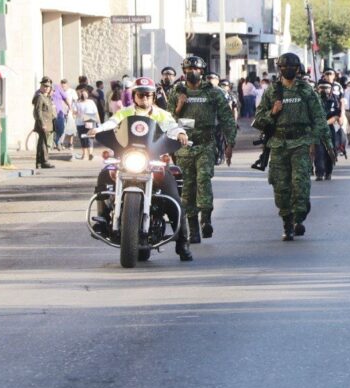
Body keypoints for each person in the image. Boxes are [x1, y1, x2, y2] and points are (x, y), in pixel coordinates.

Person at [89, 77, 193, 262]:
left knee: (174, 197)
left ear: (153, 97)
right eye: (140, 94)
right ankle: (102, 218)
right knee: (104, 175)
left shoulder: (162, 114)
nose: (144, 98)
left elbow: (172, 126)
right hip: (128, 160)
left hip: (154, 162)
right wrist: (98, 130)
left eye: (148, 95)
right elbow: (112, 123)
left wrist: (181, 133)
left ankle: (183, 243)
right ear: (134, 96)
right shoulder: (125, 112)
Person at [253, 53, 331, 240]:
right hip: (278, 145)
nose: (287, 70)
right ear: (279, 69)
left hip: (301, 143)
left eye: (291, 67)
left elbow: (319, 118)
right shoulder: (272, 91)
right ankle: (287, 222)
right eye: (283, 67)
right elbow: (258, 120)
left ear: (298, 69)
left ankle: (299, 217)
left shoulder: (306, 91)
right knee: (281, 187)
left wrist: (322, 142)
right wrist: (272, 112)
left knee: (300, 184)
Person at [168, 55, 237, 243]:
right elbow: (167, 120)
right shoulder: (176, 92)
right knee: (188, 188)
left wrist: (230, 143)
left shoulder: (213, 92)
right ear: (184, 72)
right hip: (184, 147)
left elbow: (226, 118)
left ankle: (205, 218)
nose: (192, 72)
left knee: (204, 179)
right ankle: (193, 230)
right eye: (188, 69)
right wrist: (180, 105)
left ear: (202, 71)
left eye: (196, 69)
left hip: (206, 144)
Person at [313, 80, 340, 181]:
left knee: (330, 151)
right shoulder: (314, 100)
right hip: (317, 130)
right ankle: (319, 173)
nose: (324, 90)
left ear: (331, 89)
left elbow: (336, 115)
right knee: (319, 152)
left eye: (326, 88)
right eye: (322, 88)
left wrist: (325, 123)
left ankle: (328, 172)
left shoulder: (334, 100)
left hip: (329, 129)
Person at [32, 78, 56, 169]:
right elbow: (38, 112)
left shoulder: (47, 97)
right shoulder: (40, 97)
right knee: (43, 143)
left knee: (42, 143)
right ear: (41, 86)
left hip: (48, 123)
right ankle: (44, 161)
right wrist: (42, 123)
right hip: (43, 123)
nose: (46, 88)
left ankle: (39, 162)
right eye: (44, 86)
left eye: (48, 87)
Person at [73, 85, 100, 160]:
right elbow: (96, 112)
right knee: (89, 138)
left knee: (83, 138)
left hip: (81, 122)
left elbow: (74, 113)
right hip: (90, 120)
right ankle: (89, 154)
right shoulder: (90, 102)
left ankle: (85, 154)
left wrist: (78, 113)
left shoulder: (77, 103)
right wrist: (98, 122)